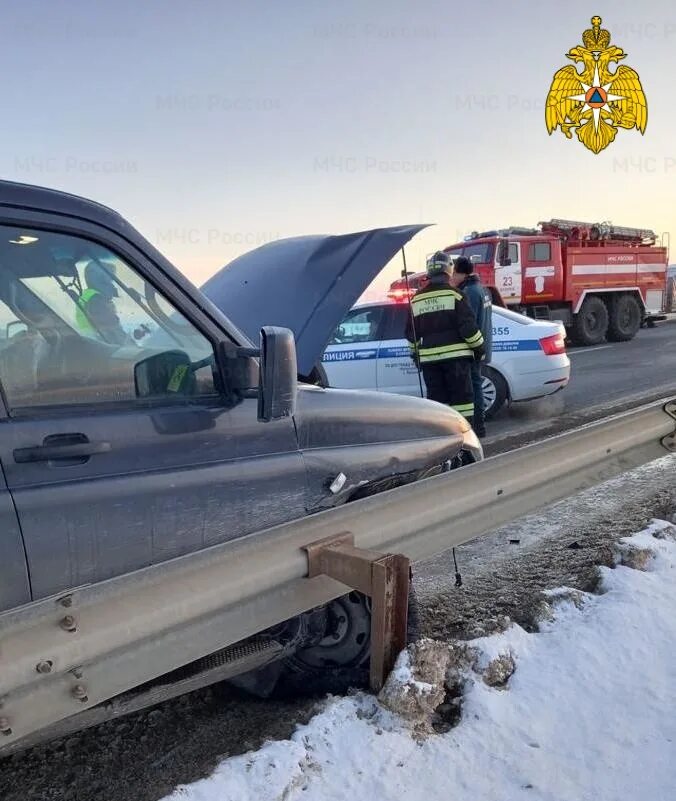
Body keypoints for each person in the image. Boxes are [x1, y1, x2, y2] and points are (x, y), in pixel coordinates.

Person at [405, 251, 484, 426]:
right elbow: (469, 329)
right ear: (448, 270)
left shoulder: (416, 300)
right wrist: (480, 349)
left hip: (430, 363)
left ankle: (444, 437)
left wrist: (416, 355)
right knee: (462, 402)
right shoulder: (456, 295)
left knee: (439, 403)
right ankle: (464, 437)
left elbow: (412, 336)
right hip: (457, 362)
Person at [450, 256, 493, 438]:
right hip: (483, 345)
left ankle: (478, 427)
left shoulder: (469, 292)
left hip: (474, 348)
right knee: (477, 386)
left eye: (454, 273)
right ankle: (479, 425)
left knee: (474, 388)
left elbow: (468, 323)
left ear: (461, 273)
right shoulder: (481, 289)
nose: (452, 276)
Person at [75, 260, 128, 346]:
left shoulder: (89, 294)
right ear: (102, 280)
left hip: (94, 343)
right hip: (101, 345)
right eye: (109, 281)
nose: (112, 285)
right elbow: (113, 326)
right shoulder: (96, 300)